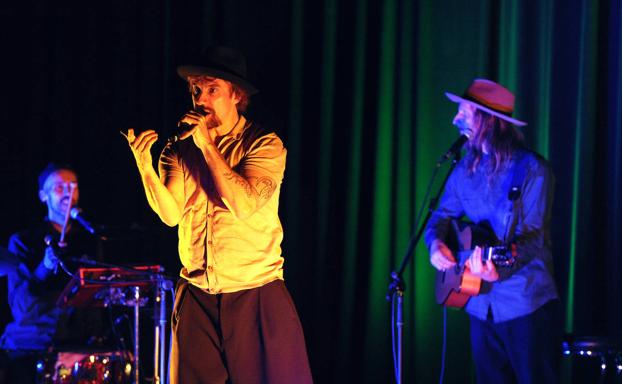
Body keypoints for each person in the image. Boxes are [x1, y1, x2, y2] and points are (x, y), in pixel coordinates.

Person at [125, 46, 313, 383]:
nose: (202, 99)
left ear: (236, 95)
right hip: (197, 294)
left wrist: (208, 146)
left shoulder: (264, 144)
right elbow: (171, 214)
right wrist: (144, 167)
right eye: (197, 90)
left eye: (213, 90)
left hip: (255, 292)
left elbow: (243, 204)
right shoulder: (179, 147)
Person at [425, 79, 559, 383]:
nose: (454, 120)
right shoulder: (464, 170)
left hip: (525, 304)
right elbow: (439, 218)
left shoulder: (533, 170)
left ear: (488, 121)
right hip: (479, 304)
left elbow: (534, 238)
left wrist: (499, 270)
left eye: (464, 113)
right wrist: (435, 245)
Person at [0, 163, 106, 383]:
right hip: (33, 345)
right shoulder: (23, 241)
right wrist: (45, 267)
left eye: (73, 186)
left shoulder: (89, 239)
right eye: (59, 187)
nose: (68, 192)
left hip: (79, 343)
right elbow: (23, 305)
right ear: (43, 196)